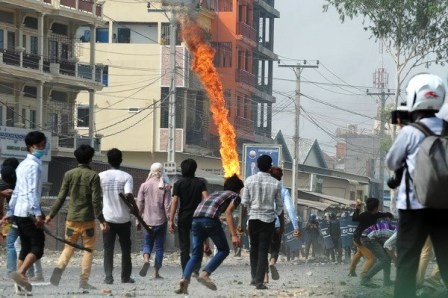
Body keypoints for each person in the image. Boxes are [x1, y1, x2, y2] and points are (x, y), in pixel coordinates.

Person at [386, 73, 448, 298]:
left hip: (413, 207)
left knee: (408, 262)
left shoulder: (411, 131)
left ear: (413, 98)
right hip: (444, 206)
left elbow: (392, 161)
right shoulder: (447, 128)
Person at [45, 144, 108, 290]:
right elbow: (96, 201)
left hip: (72, 219)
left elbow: (60, 197)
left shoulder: (69, 174)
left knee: (68, 247)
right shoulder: (93, 176)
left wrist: (50, 215)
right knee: (88, 250)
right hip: (87, 221)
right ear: (91, 158)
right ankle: (83, 281)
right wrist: (102, 220)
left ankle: (58, 271)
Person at [174, 174, 244, 295]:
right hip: (209, 220)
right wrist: (234, 235)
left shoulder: (215, 194)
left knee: (196, 254)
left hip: (195, 219)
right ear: (238, 189)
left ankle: (184, 279)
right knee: (223, 250)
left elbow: (206, 213)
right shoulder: (235, 196)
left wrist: (206, 243)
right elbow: (228, 213)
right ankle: (205, 273)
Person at [3, 131, 47, 294]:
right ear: (30, 147)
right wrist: (37, 214)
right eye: (39, 146)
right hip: (29, 211)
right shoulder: (34, 166)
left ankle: (20, 284)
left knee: (25, 246)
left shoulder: (22, 165)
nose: (42, 148)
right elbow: (31, 191)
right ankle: (21, 274)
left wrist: (10, 211)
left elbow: (16, 191)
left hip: (19, 212)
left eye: (44, 145)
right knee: (38, 246)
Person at [239, 155, 283, 290]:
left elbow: (244, 204)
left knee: (254, 249)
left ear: (257, 165)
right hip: (268, 221)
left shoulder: (249, 180)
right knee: (263, 250)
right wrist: (279, 222)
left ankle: (254, 278)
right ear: (270, 166)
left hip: (253, 220)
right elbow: (280, 206)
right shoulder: (276, 183)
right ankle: (259, 281)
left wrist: (241, 222)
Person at [99, 148, 134, 285]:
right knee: (126, 249)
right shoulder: (127, 177)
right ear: (121, 160)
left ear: (108, 161)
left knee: (108, 249)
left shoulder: (101, 176)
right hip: (124, 218)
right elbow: (129, 195)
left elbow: (97, 197)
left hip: (107, 218)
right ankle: (125, 277)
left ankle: (108, 277)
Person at [169, 158, 208, 274]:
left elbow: (175, 201)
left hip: (183, 217)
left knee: (184, 246)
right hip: (197, 216)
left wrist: (171, 220)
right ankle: (196, 268)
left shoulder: (178, 183)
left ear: (182, 170)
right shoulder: (201, 183)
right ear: (195, 169)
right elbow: (206, 198)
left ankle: (185, 270)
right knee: (198, 243)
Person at [136, 162, 171, 279]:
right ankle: (156, 273)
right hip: (161, 222)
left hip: (147, 223)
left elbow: (139, 205)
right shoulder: (165, 186)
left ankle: (146, 260)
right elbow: (167, 206)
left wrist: (138, 221)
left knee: (147, 244)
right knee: (159, 247)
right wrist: (170, 221)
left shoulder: (144, 185)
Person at [265, 166, 298, 283]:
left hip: (262, 223)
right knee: (275, 247)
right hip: (277, 225)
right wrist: (296, 227)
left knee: (263, 250)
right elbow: (290, 208)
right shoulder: (283, 190)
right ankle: (272, 262)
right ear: (280, 178)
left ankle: (265, 276)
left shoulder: (262, 188)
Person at [351, 198, 392, 283]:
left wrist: (388, 214)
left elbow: (383, 214)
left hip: (361, 237)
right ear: (376, 207)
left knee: (359, 253)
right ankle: (364, 277)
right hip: (360, 238)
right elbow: (354, 218)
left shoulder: (376, 214)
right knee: (371, 258)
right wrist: (357, 209)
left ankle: (351, 271)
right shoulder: (364, 215)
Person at [359, 217, 396, 287]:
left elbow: (388, 247)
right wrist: (396, 261)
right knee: (384, 259)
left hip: (373, 237)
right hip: (367, 238)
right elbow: (389, 248)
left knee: (387, 258)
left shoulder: (397, 230)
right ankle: (365, 280)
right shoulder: (397, 234)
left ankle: (387, 281)